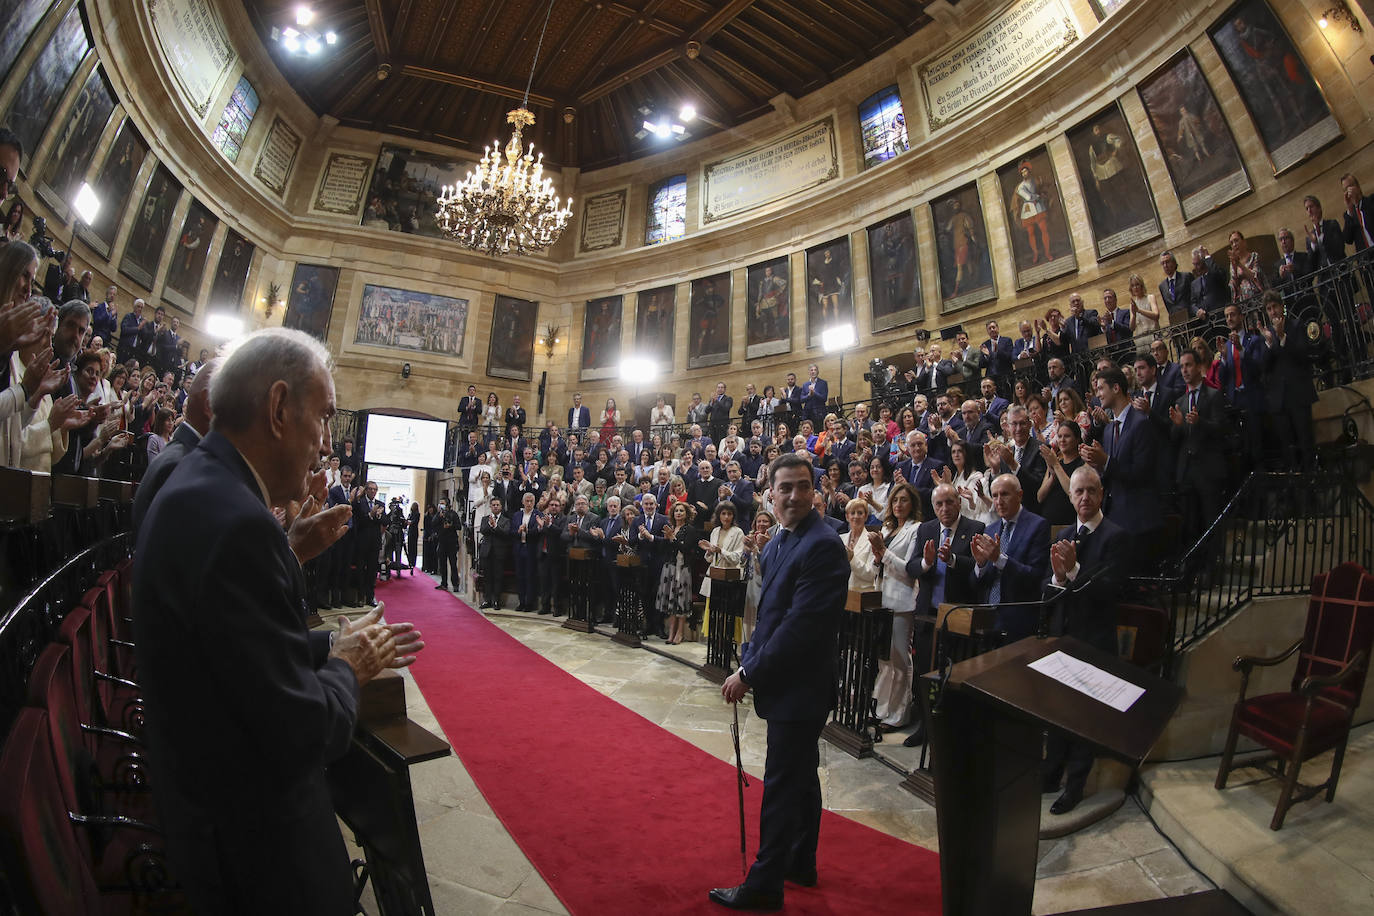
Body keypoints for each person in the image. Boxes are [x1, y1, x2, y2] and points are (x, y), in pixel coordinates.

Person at [133, 327, 424, 915]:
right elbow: (302, 731)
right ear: (278, 408)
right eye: (323, 417)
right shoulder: (236, 519)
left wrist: (325, 643)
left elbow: (238, 647)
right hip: (257, 851)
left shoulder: (205, 487)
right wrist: (349, 664)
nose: (324, 442)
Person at [712, 453, 847, 911]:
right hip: (785, 683)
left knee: (782, 783)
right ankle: (800, 861)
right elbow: (767, 617)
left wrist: (748, 673)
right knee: (803, 779)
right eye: (785, 487)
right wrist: (749, 655)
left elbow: (799, 627)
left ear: (815, 491)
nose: (793, 495)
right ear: (770, 493)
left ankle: (764, 885)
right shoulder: (776, 543)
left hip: (801, 687)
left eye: (802, 486)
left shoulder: (823, 544)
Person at [1042, 466, 1132, 815]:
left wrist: (1075, 571)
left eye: (1090, 491)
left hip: (1095, 639)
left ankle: (1075, 786)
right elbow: (1050, 590)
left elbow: (1111, 590)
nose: (1084, 497)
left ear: (1101, 494)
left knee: (1084, 719)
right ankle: (1050, 775)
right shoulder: (1064, 534)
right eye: (1078, 491)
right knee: (1058, 713)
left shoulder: (1115, 536)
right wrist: (1058, 576)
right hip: (1064, 635)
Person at [971, 473, 1051, 640]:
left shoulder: (1038, 526)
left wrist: (999, 560)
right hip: (987, 620)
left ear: (1020, 495)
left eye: (1005, 494)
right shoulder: (989, 530)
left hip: (1019, 621)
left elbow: (1036, 576)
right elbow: (977, 584)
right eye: (994, 495)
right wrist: (980, 566)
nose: (999, 501)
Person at [870, 482, 921, 731]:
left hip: (902, 599)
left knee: (900, 660)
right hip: (881, 596)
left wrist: (884, 553)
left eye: (904, 500)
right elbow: (876, 564)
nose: (899, 505)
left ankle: (899, 715)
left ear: (912, 504)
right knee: (884, 659)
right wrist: (877, 556)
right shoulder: (887, 527)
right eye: (895, 500)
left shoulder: (916, 529)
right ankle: (881, 709)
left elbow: (908, 569)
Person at [657, 501, 698, 644]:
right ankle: (671, 631)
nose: (678, 513)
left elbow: (686, 548)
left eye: (681, 511)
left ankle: (679, 633)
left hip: (683, 568)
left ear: (686, 514)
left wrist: (673, 538)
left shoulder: (690, 530)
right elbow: (666, 549)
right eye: (676, 511)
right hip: (670, 567)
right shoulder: (671, 528)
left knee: (680, 601)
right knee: (671, 601)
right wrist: (667, 539)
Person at [478, 496, 510, 609]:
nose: (495, 507)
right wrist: (491, 525)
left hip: (499, 552)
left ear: (501, 507)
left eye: (497, 505)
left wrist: (495, 526)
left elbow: (506, 533)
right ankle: (487, 600)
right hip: (487, 552)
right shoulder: (485, 519)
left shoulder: (505, 520)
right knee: (487, 578)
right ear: (490, 506)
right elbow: (483, 530)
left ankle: (496, 600)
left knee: (498, 577)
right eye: (494, 505)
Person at [434, 498, 461, 590]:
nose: (441, 504)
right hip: (442, 542)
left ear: (447, 504)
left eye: (442, 503)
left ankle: (455, 584)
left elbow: (459, 526)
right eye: (440, 503)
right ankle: (444, 583)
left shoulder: (453, 514)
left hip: (452, 542)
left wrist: (451, 526)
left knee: (453, 564)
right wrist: (439, 516)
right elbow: (433, 523)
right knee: (442, 564)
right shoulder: (438, 514)